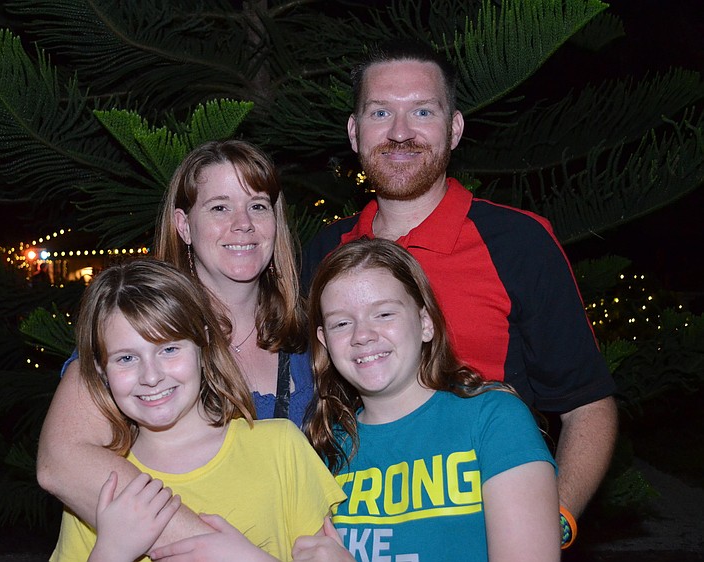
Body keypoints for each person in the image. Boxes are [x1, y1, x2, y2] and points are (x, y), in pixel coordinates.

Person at [300, 40, 617, 547]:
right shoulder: (324, 251)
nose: (400, 133)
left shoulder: (517, 243)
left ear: (454, 128)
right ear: (355, 132)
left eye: (422, 111)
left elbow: (588, 405)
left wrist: (545, 523)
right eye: (381, 112)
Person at [37, 140, 314, 545]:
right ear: (184, 225)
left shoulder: (313, 337)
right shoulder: (135, 332)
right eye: (220, 207)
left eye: (258, 205)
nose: (243, 224)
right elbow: (61, 462)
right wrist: (219, 553)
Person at [49, 258, 345, 562]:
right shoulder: (106, 486)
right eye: (126, 359)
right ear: (101, 369)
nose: (151, 376)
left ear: (203, 341)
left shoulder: (282, 448)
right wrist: (111, 553)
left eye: (169, 349)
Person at [291, 237, 559, 562]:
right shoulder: (323, 449)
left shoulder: (493, 420)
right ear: (325, 342)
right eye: (342, 323)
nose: (362, 335)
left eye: (384, 314)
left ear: (426, 323)